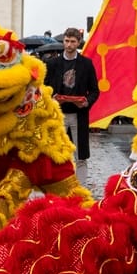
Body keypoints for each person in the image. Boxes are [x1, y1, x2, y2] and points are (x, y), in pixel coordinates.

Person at [43, 27, 99, 183]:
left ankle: (81, 188)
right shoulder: (52, 63)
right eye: (66, 41)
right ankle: (59, 185)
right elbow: (43, 88)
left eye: (72, 42)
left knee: (80, 155)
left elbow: (95, 90)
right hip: (58, 114)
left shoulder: (86, 64)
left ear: (78, 43)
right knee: (57, 152)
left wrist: (86, 102)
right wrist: (51, 98)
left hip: (78, 115)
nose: (68, 45)